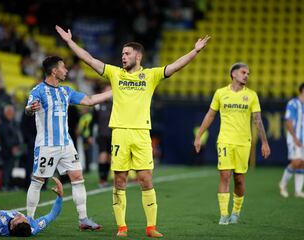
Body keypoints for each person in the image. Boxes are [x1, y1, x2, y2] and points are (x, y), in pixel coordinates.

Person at [56, 25, 210, 238]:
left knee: (146, 179)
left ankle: (151, 227)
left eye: (127, 54)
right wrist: (70, 42)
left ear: (138, 56)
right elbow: (89, 60)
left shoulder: (151, 75)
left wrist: (195, 51)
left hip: (141, 134)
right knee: (120, 180)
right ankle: (122, 228)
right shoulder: (115, 74)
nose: (123, 57)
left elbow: (174, 67)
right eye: (122, 54)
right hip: (119, 133)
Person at [25, 56, 112, 230]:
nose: (66, 70)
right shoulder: (38, 91)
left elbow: (89, 100)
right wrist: (30, 109)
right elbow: (28, 108)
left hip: (66, 144)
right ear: (54, 71)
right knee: (38, 181)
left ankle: (83, 219)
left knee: (78, 177)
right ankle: (28, 220)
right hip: (47, 146)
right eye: (63, 68)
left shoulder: (66, 91)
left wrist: (116, 90)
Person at [194, 62, 271, 225]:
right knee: (224, 175)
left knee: (239, 180)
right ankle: (223, 215)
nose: (247, 76)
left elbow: (257, 120)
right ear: (233, 74)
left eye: (248, 73)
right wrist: (199, 136)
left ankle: (236, 212)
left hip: (244, 143)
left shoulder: (252, 95)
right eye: (244, 72)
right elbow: (210, 115)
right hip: (225, 141)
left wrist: (265, 142)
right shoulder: (221, 93)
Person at [279, 83, 304, 198]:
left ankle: (298, 191)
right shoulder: (293, 103)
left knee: (302, 164)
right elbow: (288, 121)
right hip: (295, 138)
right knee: (296, 162)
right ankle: (282, 184)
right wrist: (294, 137)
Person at [91, 84, 113, 188]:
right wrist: (90, 135)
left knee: (109, 157)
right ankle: (101, 180)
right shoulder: (98, 105)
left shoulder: (115, 104)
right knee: (103, 156)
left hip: (113, 134)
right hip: (102, 135)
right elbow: (93, 121)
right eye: (107, 90)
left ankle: (105, 179)